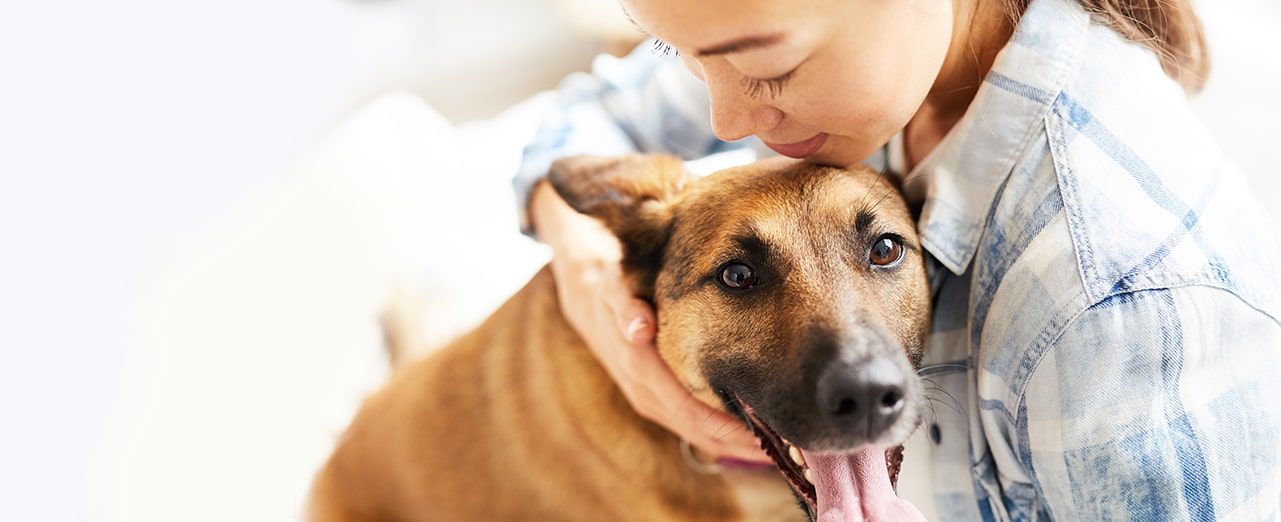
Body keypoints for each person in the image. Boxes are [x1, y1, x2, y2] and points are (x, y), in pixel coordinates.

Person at [512, 0, 1281, 518]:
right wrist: (587, 273)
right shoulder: (818, 40)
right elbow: (590, 119)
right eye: (682, 56)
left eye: (766, 66)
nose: (726, 118)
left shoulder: (1109, 310)